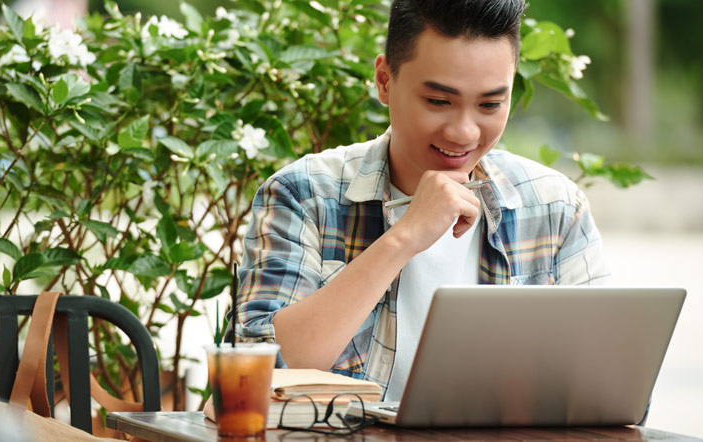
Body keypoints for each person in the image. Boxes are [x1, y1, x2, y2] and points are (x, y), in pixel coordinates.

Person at [233, 0, 610, 399]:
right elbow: (253, 380)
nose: (464, 132)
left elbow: (613, 386)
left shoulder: (554, 207)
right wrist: (404, 237)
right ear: (384, 80)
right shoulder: (304, 194)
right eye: (438, 101)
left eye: (490, 105)